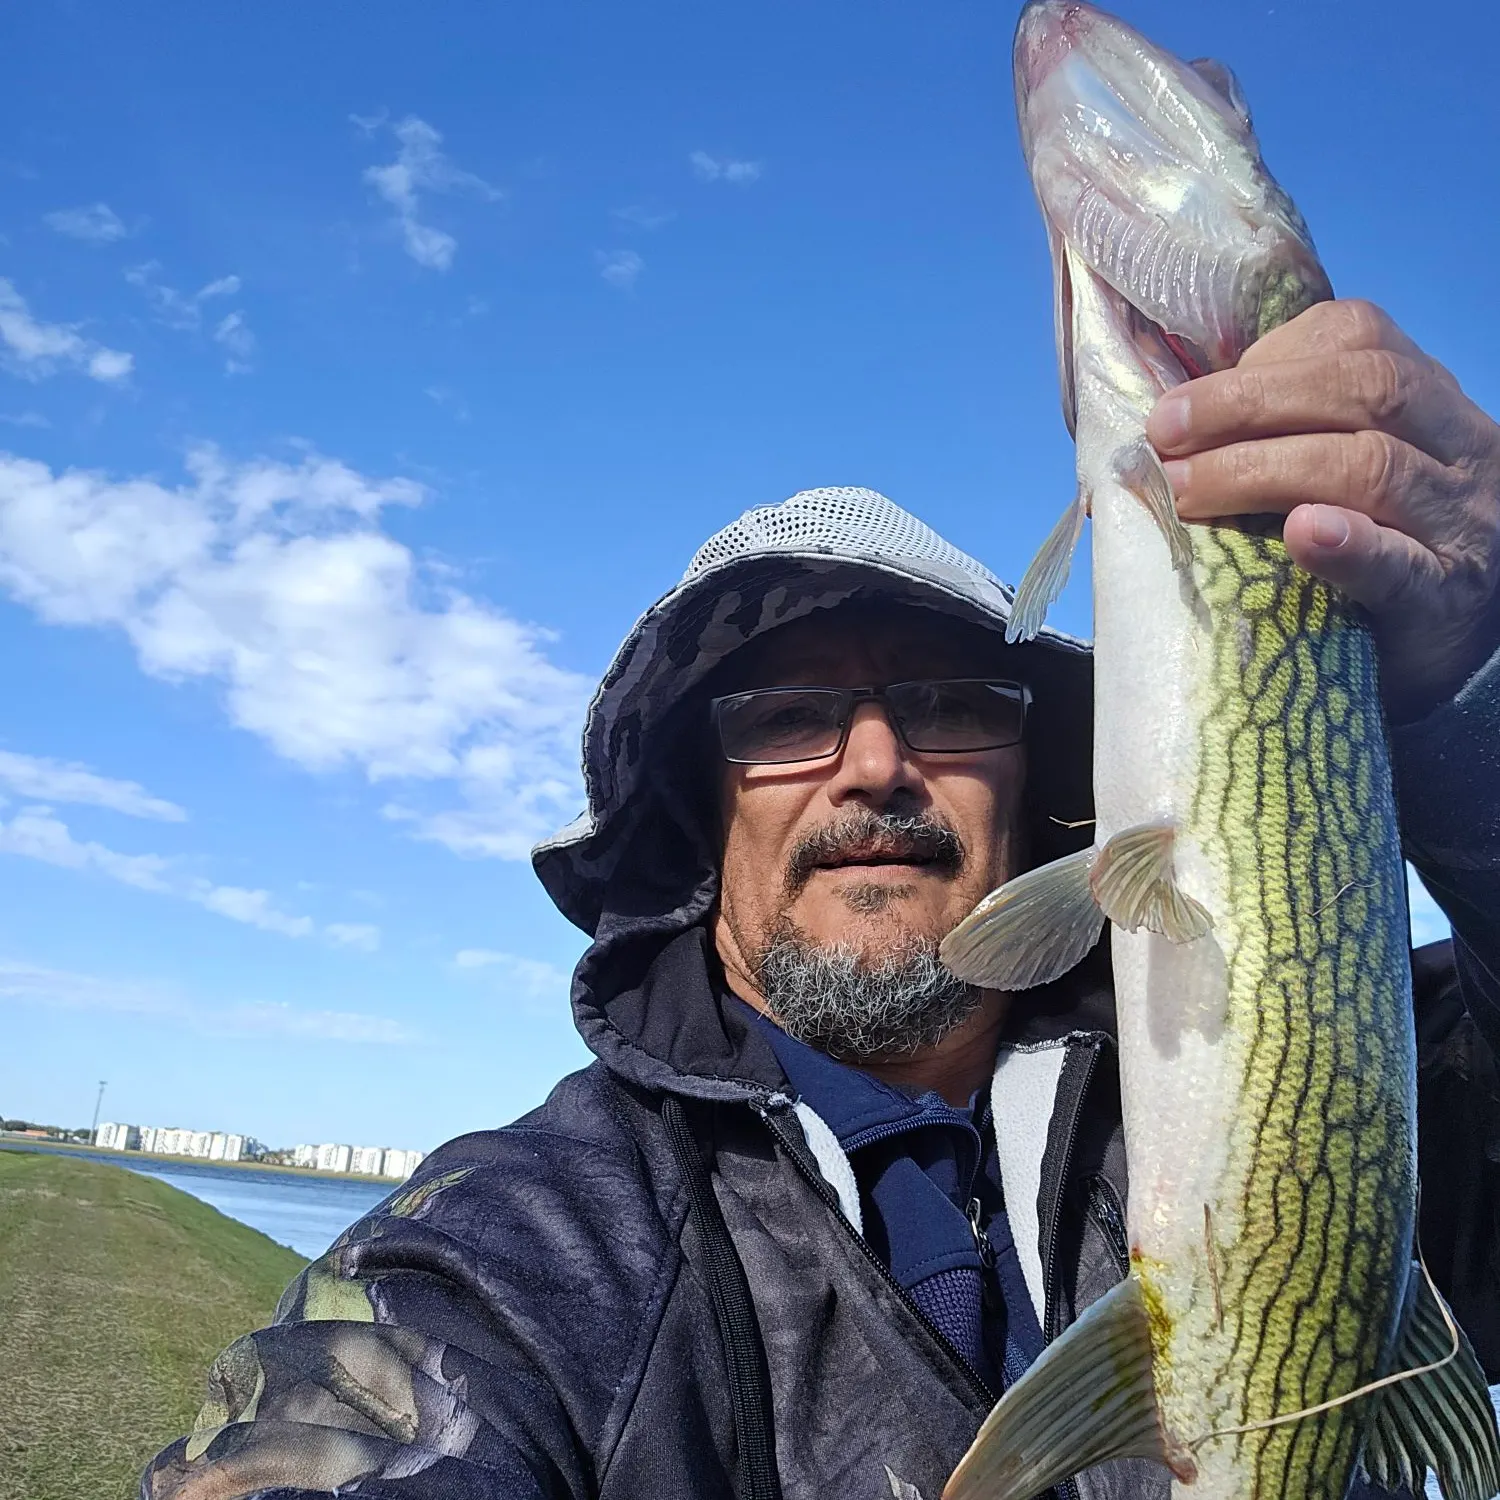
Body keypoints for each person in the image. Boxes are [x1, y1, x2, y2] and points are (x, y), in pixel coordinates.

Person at [143, 300, 1500, 1500]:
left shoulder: (1340, 1078)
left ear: (1045, 788)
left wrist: (1473, 708)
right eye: (786, 715)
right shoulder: (511, 1257)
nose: (874, 765)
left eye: (951, 704)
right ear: (697, 820)